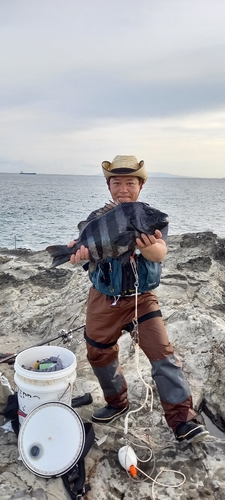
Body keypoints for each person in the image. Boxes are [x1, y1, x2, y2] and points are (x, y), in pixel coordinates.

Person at [69, 155, 209, 443]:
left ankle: (183, 419)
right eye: (116, 183)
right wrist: (76, 254)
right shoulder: (97, 219)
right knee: (98, 352)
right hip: (103, 298)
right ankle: (117, 402)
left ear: (141, 185)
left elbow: (159, 252)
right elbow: (87, 253)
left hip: (141, 299)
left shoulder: (148, 216)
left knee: (163, 353)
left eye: (130, 182)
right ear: (108, 186)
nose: (123, 189)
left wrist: (146, 248)